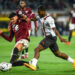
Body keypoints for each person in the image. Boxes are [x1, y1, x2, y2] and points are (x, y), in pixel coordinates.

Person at [24, 6, 75, 71]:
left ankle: (33, 65)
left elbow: (54, 29)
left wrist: (60, 38)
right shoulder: (41, 16)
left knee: (37, 49)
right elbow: (34, 19)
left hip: (50, 37)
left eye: (39, 12)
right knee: (58, 54)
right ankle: (73, 61)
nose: (38, 14)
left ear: (43, 12)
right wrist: (27, 19)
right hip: (51, 38)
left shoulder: (49, 19)